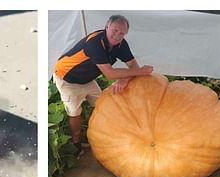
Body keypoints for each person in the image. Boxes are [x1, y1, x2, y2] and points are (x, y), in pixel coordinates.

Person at [53, 14, 154, 156]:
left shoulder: (121, 44)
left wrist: (125, 80)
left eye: (122, 33)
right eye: (115, 30)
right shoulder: (95, 43)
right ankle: (76, 144)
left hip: (87, 79)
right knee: (75, 112)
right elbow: (110, 74)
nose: (118, 35)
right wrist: (141, 72)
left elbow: (133, 65)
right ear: (107, 26)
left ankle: (98, 136)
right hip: (67, 78)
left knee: (103, 106)